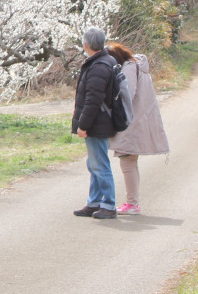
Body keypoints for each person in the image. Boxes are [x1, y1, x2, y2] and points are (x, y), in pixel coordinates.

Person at [106, 42, 169, 215]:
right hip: (137, 121)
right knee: (129, 162)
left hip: (130, 123)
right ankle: (132, 203)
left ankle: (132, 204)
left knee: (127, 162)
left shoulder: (129, 68)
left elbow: (128, 93)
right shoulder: (137, 67)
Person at [72, 26, 117, 219]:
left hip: (98, 123)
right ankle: (95, 201)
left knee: (100, 164)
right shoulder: (105, 61)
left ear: (86, 44)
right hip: (101, 121)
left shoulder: (98, 66)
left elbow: (93, 100)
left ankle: (108, 204)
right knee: (94, 163)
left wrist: (83, 125)